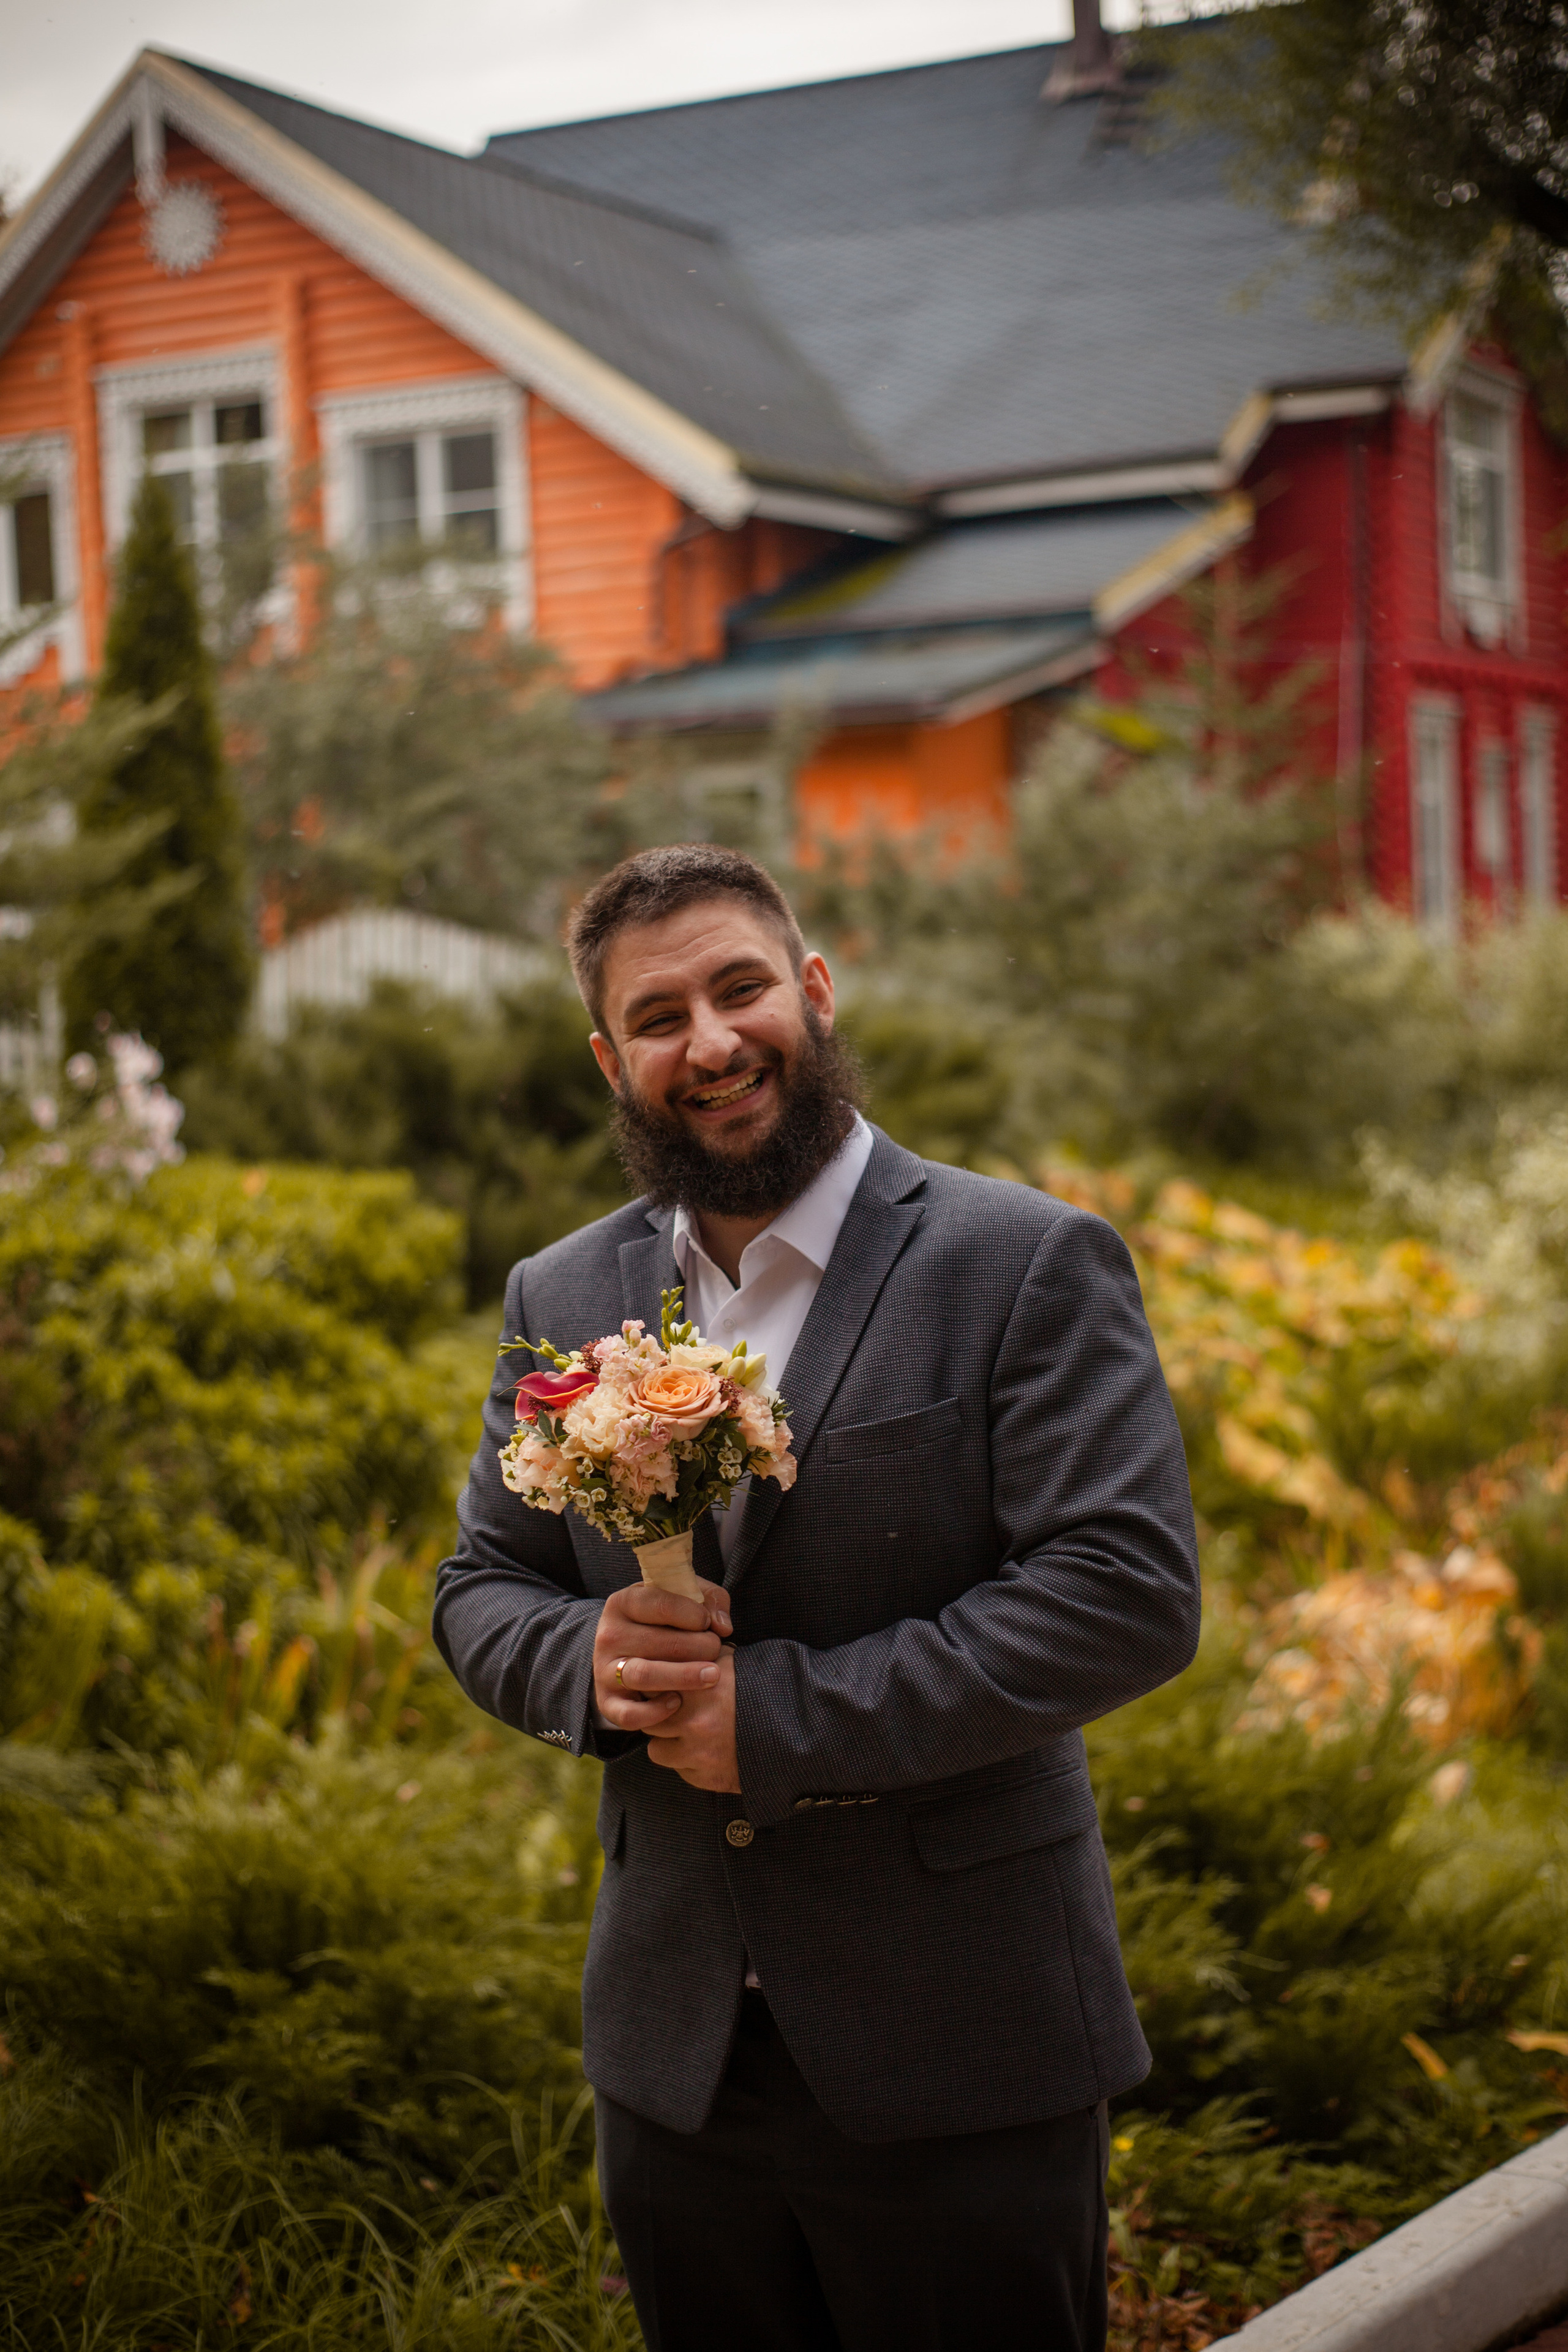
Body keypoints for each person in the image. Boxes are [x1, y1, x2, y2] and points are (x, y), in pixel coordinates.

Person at [433, 844, 1200, 2352]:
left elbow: (1121, 1593)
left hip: (961, 2055)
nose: (709, 1044)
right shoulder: (560, 1298)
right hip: (679, 2062)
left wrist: (775, 1717)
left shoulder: (1019, 1262)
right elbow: (480, 1585)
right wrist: (582, 1658)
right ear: (612, 1061)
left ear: (815, 991)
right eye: (658, 1018)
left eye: (739, 989)